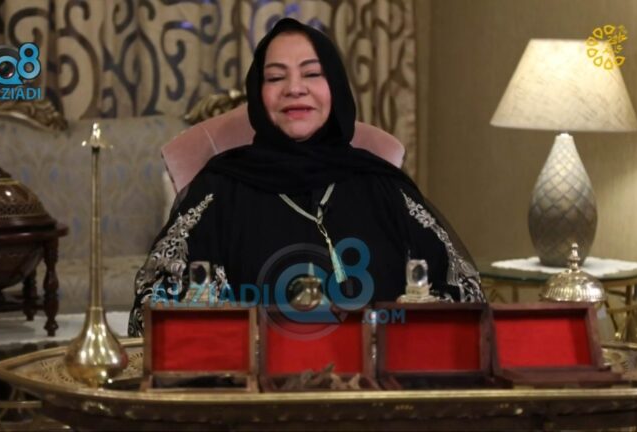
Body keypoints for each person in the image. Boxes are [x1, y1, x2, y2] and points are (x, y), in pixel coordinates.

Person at [127, 18, 484, 337]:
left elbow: (463, 301)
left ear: (336, 87)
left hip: (373, 385)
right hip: (255, 386)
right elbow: (155, 316)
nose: (294, 88)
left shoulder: (383, 187)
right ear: (258, 92)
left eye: (312, 74)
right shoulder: (219, 191)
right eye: (276, 77)